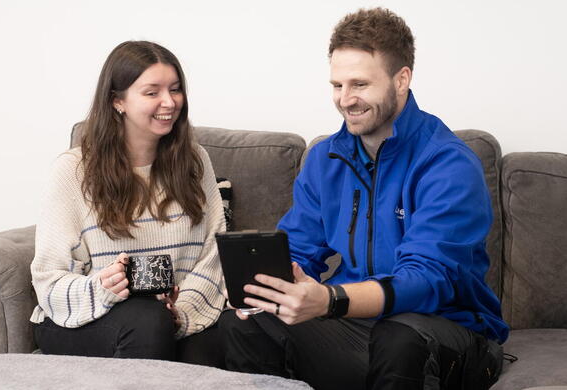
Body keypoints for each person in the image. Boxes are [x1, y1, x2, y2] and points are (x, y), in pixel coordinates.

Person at [219, 8, 508, 390]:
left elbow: (426, 281)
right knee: (248, 322)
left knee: (400, 337)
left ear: (401, 79)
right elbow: (300, 250)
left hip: (449, 331)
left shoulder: (448, 164)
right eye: (337, 85)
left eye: (359, 84)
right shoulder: (326, 159)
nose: (345, 99)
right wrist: (273, 286)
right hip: (356, 326)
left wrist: (330, 299)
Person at [29, 41, 226, 365]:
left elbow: (213, 253)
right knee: (147, 321)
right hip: (85, 316)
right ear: (117, 100)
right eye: (152, 92)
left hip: (174, 314)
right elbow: (49, 275)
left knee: (216, 339)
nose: (169, 102)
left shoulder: (195, 162)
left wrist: (182, 313)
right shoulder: (73, 171)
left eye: (175, 89)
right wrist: (102, 287)